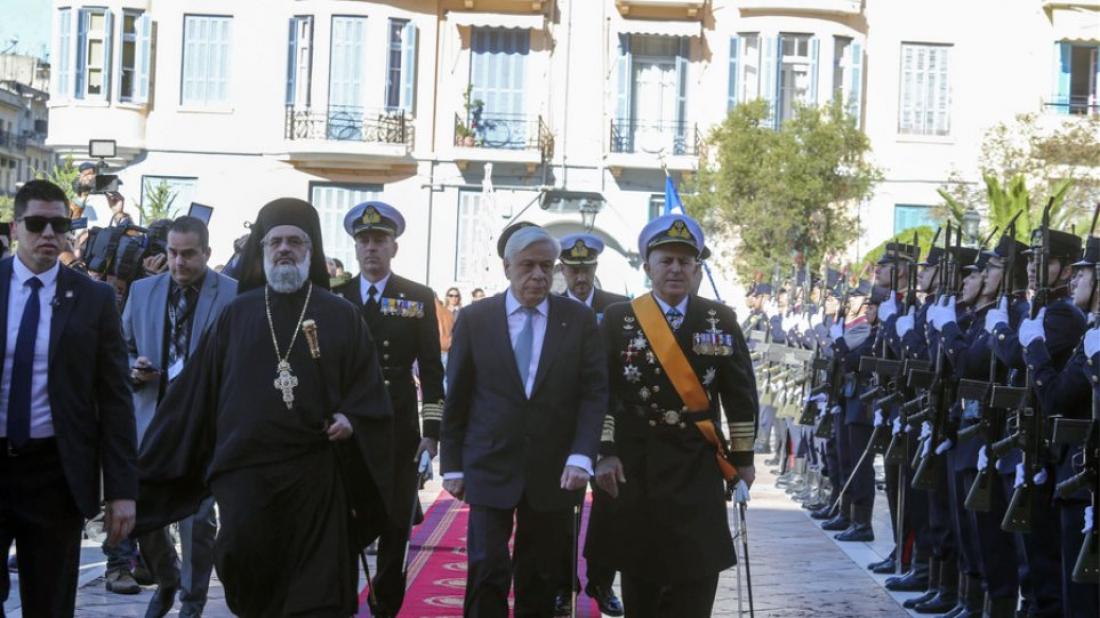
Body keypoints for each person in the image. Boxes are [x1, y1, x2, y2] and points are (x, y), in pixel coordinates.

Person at [134, 198, 396, 617]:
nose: (284, 249)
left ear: (311, 250)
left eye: (295, 241)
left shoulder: (341, 316)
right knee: (248, 578)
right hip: (246, 477)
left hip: (314, 479)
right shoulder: (236, 315)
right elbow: (194, 396)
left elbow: (369, 394)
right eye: (275, 241)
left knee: (318, 593)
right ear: (262, 249)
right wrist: (142, 473)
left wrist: (352, 418)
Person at [588, 213, 758, 617]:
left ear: (697, 268)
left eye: (685, 261)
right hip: (637, 464)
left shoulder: (720, 319)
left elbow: (740, 395)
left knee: (696, 574)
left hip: (696, 464)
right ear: (648, 267)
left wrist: (743, 460)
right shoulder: (619, 319)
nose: (676, 269)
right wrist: (605, 452)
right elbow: (601, 392)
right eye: (666, 260)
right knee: (642, 576)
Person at [441, 225, 607, 617]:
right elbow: (458, 396)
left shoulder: (577, 320)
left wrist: (582, 455)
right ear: (507, 267)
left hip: (553, 471)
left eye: (546, 267)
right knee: (486, 569)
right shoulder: (476, 319)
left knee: (539, 577)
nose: (538, 275)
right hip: (489, 463)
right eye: (528, 265)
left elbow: (594, 393)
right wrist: (452, 464)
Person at [0, 179, 137, 616]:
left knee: (50, 604)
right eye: (36, 224)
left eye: (59, 225)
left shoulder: (94, 299)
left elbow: (115, 400)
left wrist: (121, 492)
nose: (48, 234)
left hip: (55, 475)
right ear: (15, 229)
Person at [333, 201, 445, 618]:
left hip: (398, 429)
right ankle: (341, 602)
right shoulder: (336, 296)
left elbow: (431, 370)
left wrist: (431, 434)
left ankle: (386, 605)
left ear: (393, 247)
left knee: (396, 524)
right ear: (355, 247)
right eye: (364, 240)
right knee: (344, 522)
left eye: (379, 240)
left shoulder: (417, 297)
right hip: (348, 427)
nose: (371, 248)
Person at [122, 216, 237, 617]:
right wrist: (132, 368)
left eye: (188, 254)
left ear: (207, 253)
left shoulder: (233, 295)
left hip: (205, 426)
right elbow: (120, 347)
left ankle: (192, 601)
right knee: (143, 512)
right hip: (153, 421)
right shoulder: (142, 291)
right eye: (172, 253)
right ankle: (166, 577)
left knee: (198, 519)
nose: (178, 262)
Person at [552, 232, 628, 616]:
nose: (580, 277)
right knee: (562, 508)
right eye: (573, 269)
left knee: (611, 508)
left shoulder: (617, 308)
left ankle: (602, 581)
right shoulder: (549, 306)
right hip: (563, 424)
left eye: (586, 269)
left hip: (610, 421)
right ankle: (563, 584)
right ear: (562, 269)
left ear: (596, 267)